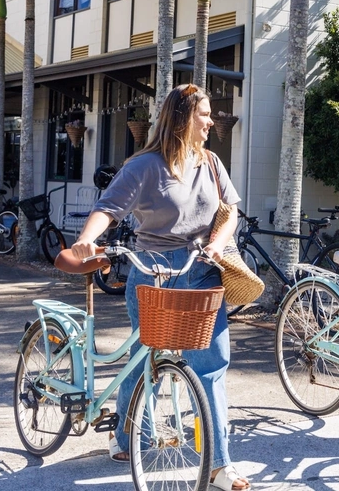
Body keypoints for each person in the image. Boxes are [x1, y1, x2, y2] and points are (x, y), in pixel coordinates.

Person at [70, 84, 249, 491]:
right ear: (183, 117)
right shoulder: (145, 166)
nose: (210, 121)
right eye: (204, 114)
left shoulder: (211, 162)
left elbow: (230, 210)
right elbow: (107, 209)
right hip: (151, 272)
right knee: (143, 357)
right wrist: (86, 239)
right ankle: (129, 434)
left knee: (211, 365)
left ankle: (220, 466)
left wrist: (218, 245)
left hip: (202, 270)